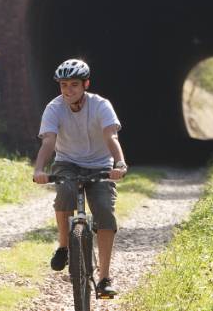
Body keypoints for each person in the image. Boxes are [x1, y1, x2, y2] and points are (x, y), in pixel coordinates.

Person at [32, 59, 128, 298]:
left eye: (74, 84)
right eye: (63, 85)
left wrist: (119, 163)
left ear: (86, 84)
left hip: (100, 164)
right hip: (68, 162)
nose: (68, 90)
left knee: (104, 210)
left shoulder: (101, 105)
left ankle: (104, 278)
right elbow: (49, 141)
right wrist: (39, 169)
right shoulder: (54, 108)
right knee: (65, 192)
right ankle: (64, 246)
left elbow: (111, 137)